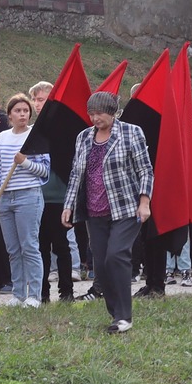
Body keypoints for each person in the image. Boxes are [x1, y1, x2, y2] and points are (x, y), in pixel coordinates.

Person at [61, 91, 153, 336]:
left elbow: (145, 170)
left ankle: (125, 316)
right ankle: (115, 314)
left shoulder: (131, 132)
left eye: (99, 113)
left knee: (116, 255)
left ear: (112, 112)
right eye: (91, 113)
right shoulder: (83, 137)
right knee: (100, 265)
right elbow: (75, 175)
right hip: (95, 210)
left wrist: (144, 202)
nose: (94, 118)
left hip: (125, 207)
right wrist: (68, 205)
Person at [0, 95, 51, 308]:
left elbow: (44, 172)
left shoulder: (36, 136)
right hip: (5, 198)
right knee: (13, 249)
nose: (22, 114)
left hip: (29, 196)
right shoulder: (2, 138)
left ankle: (34, 295)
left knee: (29, 246)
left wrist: (24, 162)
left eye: (26, 110)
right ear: (10, 114)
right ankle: (18, 294)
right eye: (18, 111)